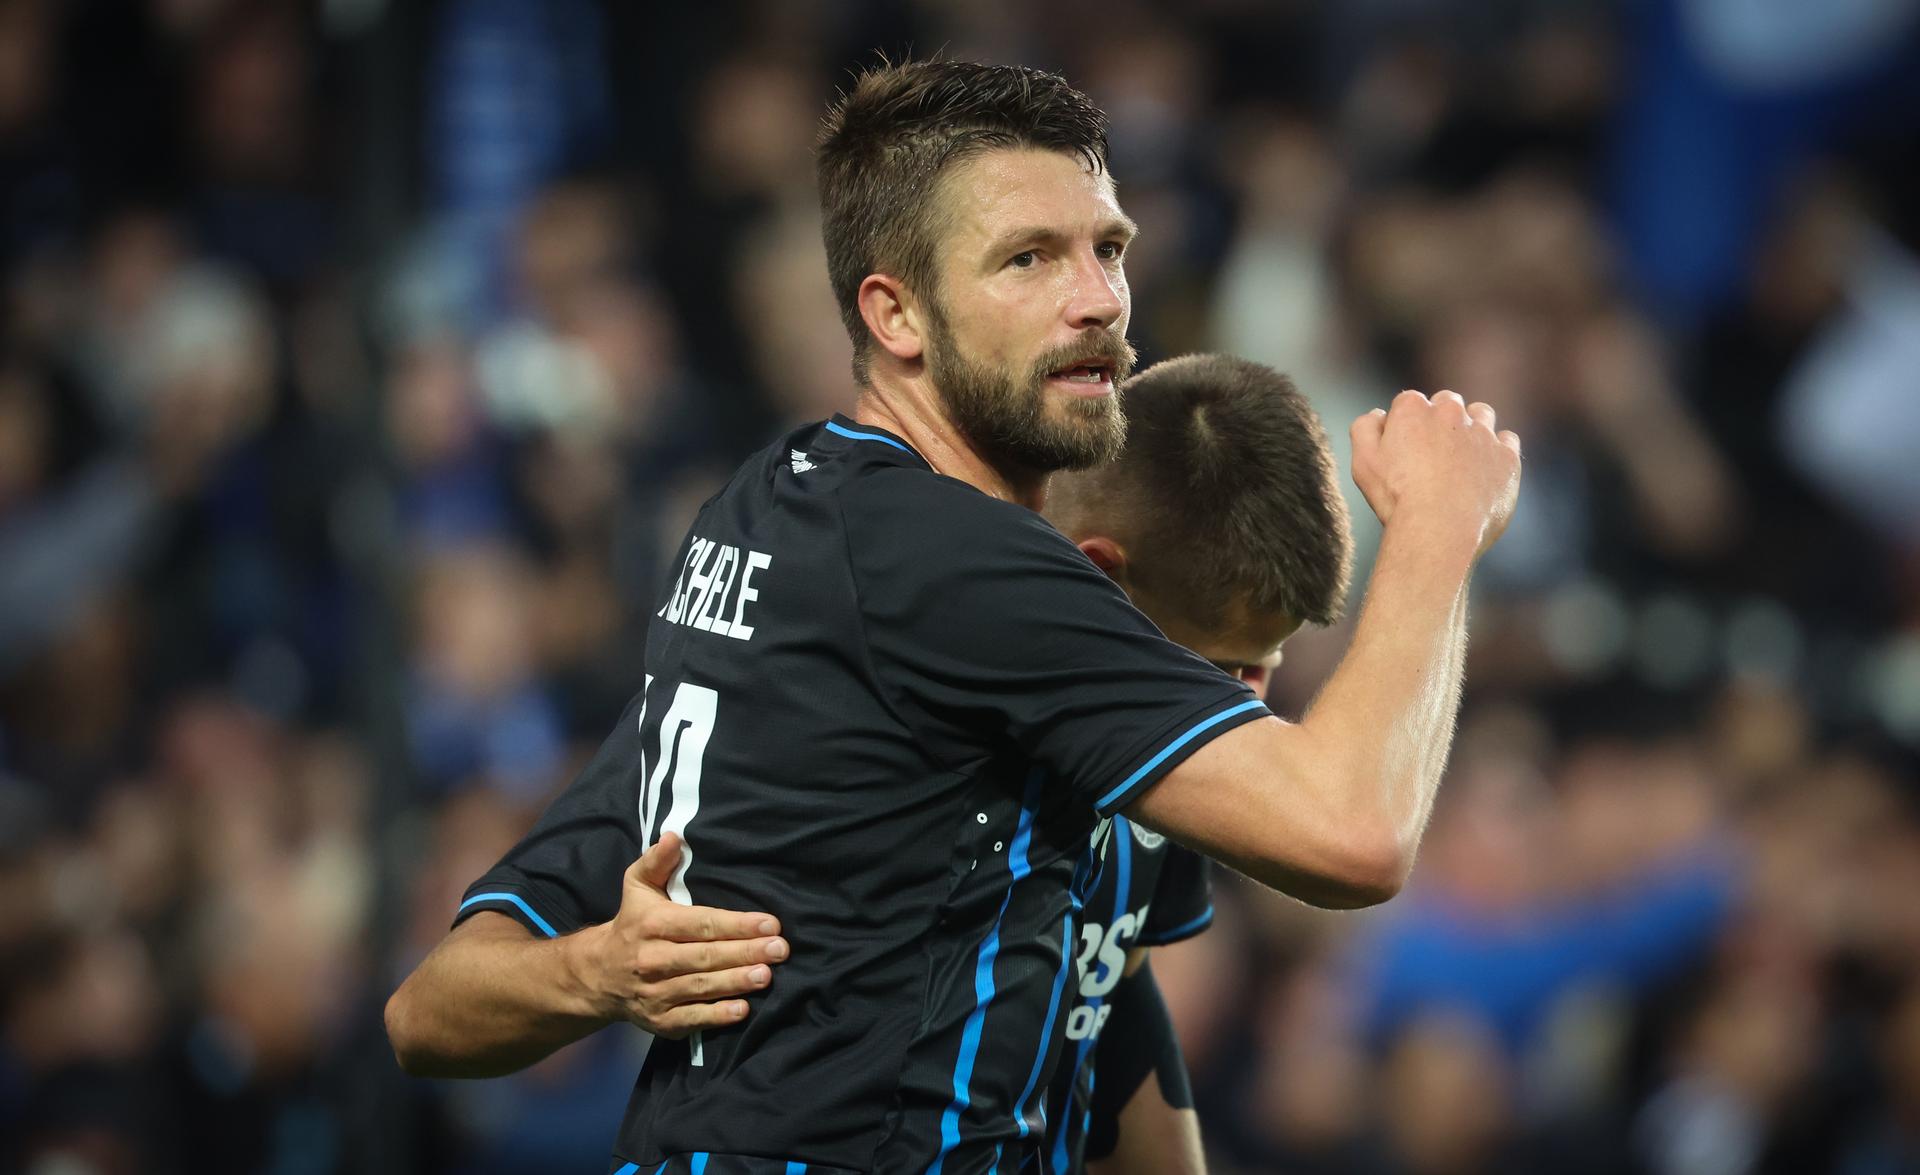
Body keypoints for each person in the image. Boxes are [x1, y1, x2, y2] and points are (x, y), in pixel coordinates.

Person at [387, 58, 1520, 1174]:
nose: (1096, 301)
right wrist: (1435, 530)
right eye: (1028, 259)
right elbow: (1355, 833)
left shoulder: (792, 520)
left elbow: (431, 1007)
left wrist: (595, 967)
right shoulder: (945, 560)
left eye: (1107, 248)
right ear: (896, 312)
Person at [1035, 353, 1354, 1175]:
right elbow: (1362, 843)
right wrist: (1438, 538)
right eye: (1223, 668)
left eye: (1265, 666)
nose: (1246, 704)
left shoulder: (1146, 730)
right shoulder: (934, 676)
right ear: (1101, 573)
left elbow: (1116, 987)